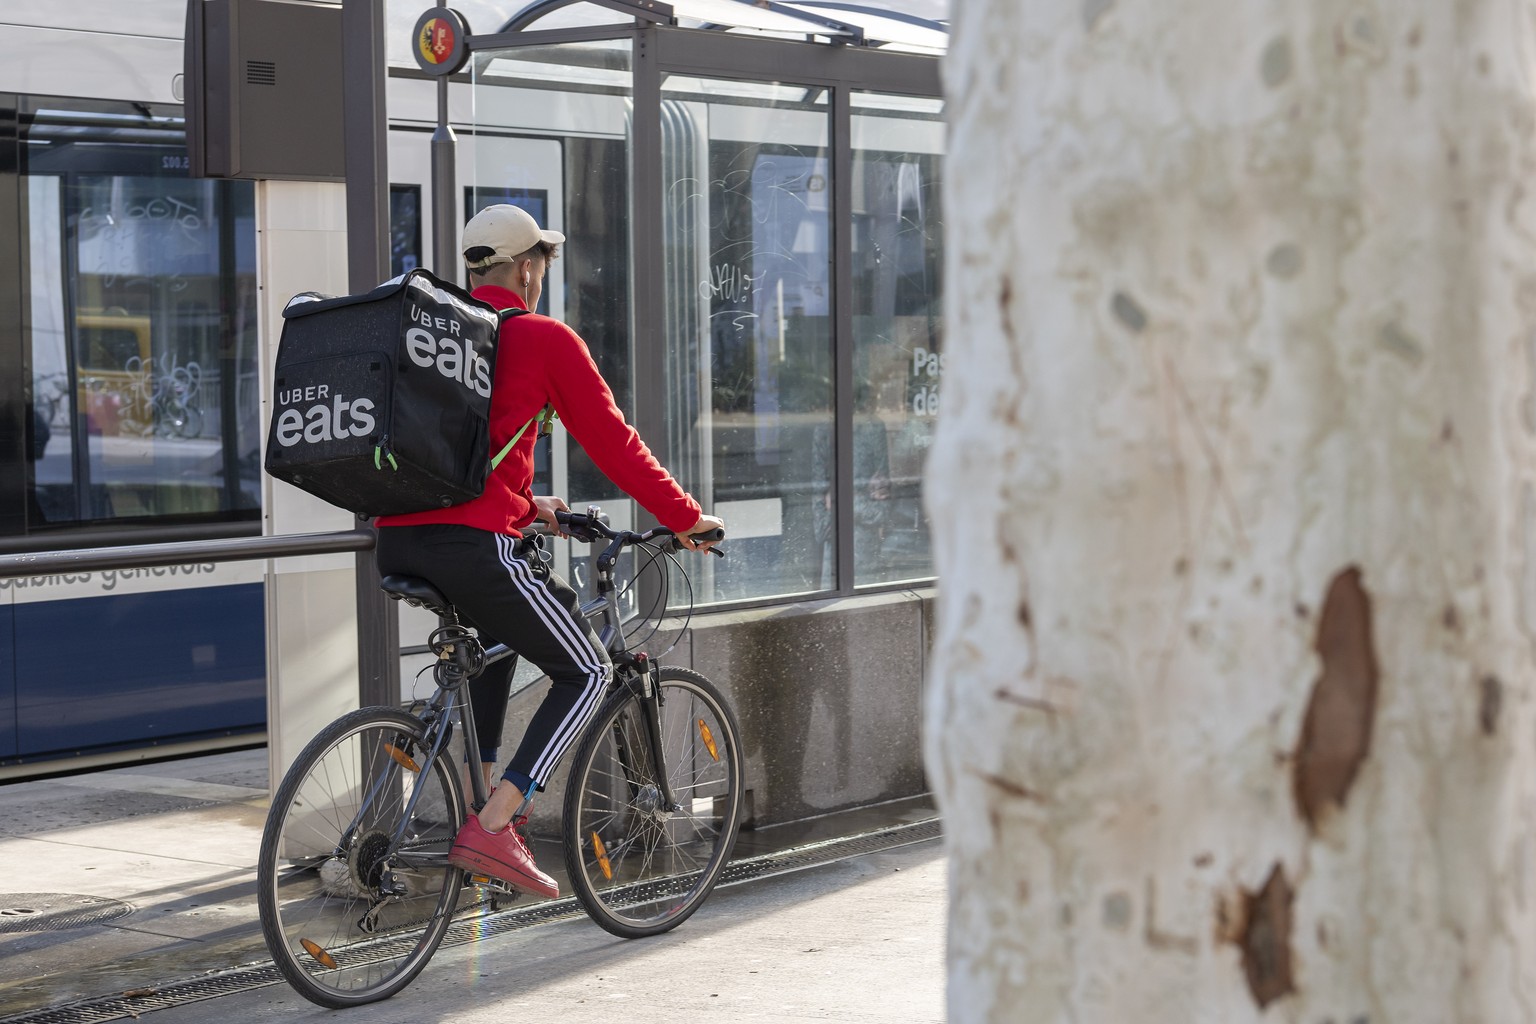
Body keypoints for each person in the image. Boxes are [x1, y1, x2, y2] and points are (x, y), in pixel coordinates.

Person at [374, 204, 724, 899]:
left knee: (497, 646)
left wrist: (528, 506)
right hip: (473, 547)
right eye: (543, 265)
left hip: (401, 537)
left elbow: (457, 454)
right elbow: (615, 443)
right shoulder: (542, 340)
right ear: (528, 267)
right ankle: (495, 826)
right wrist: (685, 519)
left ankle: (482, 801)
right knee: (590, 671)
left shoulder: (445, 338)